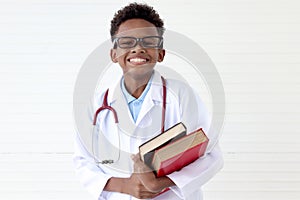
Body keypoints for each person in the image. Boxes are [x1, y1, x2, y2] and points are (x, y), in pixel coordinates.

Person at [73, 3, 223, 200]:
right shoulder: (96, 106)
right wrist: (126, 186)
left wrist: (159, 184)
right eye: (127, 42)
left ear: (160, 53)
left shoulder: (183, 96)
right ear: (113, 54)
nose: (138, 48)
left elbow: (211, 156)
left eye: (148, 41)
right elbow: (83, 162)